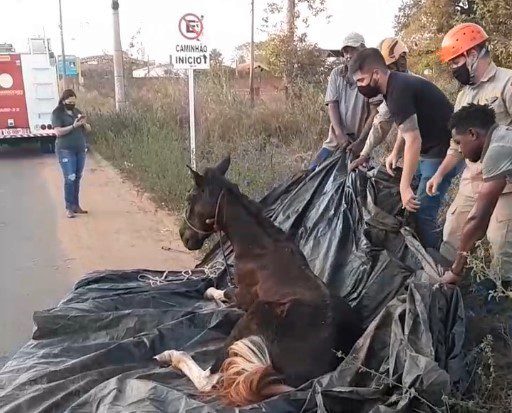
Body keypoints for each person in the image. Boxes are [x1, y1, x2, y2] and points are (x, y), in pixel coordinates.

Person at [349, 48, 457, 249]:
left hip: (441, 152)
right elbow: (406, 124)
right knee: (409, 196)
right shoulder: (394, 84)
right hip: (430, 148)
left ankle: (437, 263)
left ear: (376, 74)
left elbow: (413, 139)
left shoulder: (397, 91)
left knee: (423, 212)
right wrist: (395, 152)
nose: (359, 86)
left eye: (361, 80)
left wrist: (404, 186)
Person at [426, 23, 512, 277]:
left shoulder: (507, 83)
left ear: (472, 55)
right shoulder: (464, 96)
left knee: (501, 243)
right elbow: (456, 146)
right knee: (453, 231)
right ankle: (451, 287)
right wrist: (439, 174)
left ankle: (499, 299)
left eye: (455, 62)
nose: (453, 69)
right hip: (473, 178)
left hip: (505, 183)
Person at [440, 104, 512, 286]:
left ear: (472, 134)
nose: (459, 150)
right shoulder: (500, 137)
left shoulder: (497, 150)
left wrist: (456, 271)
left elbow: (479, 219)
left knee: (502, 240)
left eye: (458, 142)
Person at [309, 33, 373, 171]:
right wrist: (340, 134)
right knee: (311, 172)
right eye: (345, 52)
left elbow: (375, 113)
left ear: (363, 51)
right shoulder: (337, 74)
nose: (348, 55)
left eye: (352, 50)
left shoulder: (371, 76)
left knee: (358, 183)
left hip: (360, 145)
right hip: (334, 141)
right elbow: (332, 104)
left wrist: (361, 142)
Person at [348, 37, 410, 166]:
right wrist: (364, 154)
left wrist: (395, 153)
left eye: (389, 67)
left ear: (402, 60)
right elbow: (381, 122)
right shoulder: (393, 88)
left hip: (436, 147)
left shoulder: (406, 86)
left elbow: (407, 129)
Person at [51, 89, 91, 218]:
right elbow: (58, 132)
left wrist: (84, 124)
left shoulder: (77, 112)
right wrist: (73, 126)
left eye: (74, 101)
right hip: (65, 149)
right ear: (63, 101)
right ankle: (69, 207)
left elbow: (88, 129)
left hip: (79, 149)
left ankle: (76, 205)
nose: (72, 104)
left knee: (77, 177)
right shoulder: (57, 113)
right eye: (69, 102)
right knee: (70, 178)